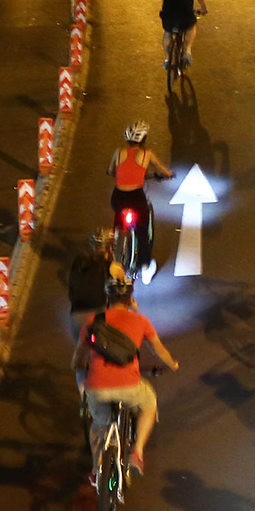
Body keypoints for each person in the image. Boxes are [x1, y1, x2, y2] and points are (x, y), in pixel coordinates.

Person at [73, 271, 180, 472]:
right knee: (149, 403)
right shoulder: (140, 321)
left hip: (97, 387)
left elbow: (79, 353)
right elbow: (159, 349)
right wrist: (172, 364)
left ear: (107, 298)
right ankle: (137, 451)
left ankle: (98, 468)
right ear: (130, 299)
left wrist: (77, 366)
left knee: (98, 425)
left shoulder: (93, 320)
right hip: (129, 387)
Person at [107, 120, 171, 272]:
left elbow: (111, 171)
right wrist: (168, 174)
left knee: (118, 221)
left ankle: (116, 240)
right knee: (142, 231)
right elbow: (162, 170)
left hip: (118, 196)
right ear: (143, 139)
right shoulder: (146, 154)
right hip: (136, 196)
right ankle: (145, 266)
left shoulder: (119, 152)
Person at [160, 0, 207, 68]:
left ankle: (167, 59)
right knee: (191, 28)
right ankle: (187, 50)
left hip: (169, 16)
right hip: (185, 16)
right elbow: (202, 2)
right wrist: (203, 10)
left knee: (168, 32)